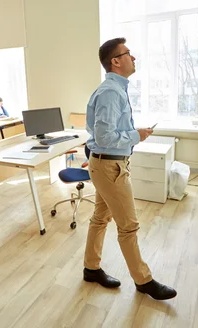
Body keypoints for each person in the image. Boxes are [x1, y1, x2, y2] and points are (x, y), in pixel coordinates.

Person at [82, 38, 177, 300]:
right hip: (110, 166)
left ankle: (91, 268)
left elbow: (101, 132)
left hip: (106, 164)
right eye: (128, 54)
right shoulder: (111, 91)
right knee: (129, 226)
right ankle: (143, 280)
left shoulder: (113, 89)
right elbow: (104, 138)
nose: (133, 58)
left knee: (100, 218)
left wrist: (136, 133)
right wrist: (136, 136)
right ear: (115, 61)